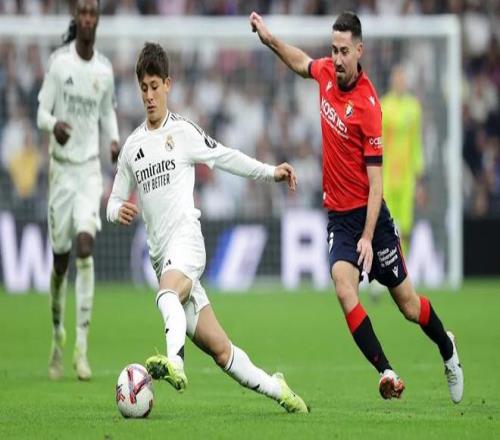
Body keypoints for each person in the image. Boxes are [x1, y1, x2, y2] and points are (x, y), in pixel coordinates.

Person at [250, 10, 464, 403]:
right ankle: (386, 371)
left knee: (409, 305)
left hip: (372, 219)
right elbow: (300, 62)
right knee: (343, 286)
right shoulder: (325, 74)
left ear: (359, 50)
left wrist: (368, 236)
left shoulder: (368, 105)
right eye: (333, 50)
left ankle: (447, 348)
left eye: (344, 51)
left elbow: (376, 184)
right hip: (339, 218)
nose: (336, 58)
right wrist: (270, 40)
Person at [106, 42, 309, 414]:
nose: (149, 95)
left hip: (187, 243)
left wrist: (271, 172)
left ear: (168, 84)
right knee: (221, 351)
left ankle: (175, 363)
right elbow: (112, 201)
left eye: (155, 86)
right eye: (143, 88)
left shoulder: (183, 132)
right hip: (163, 259)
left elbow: (226, 156)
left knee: (166, 294)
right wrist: (117, 209)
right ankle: (278, 389)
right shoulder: (132, 147)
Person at [37, 0, 120, 381]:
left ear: (97, 19)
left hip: (88, 170)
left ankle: (81, 349)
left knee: (85, 246)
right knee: (60, 261)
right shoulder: (59, 64)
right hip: (61, 173)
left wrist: (114, 140)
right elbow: (41, 112)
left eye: (92, 13)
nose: (87, 18)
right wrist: (53, 125)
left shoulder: (104, 70)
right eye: (82, 12)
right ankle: (58, 334)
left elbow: (107, 112)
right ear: (76, 17)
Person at [381, 65, 425, 254]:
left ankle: (403, 261)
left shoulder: (414, 108)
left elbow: (416, 141)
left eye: (402, 79)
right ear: (392, 81)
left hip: (407, 175)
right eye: (397, 78)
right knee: (385, 222)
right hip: (387, 174)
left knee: (406, 224)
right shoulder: (383, 105)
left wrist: (419, 173)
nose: (400, 82)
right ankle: (386, 263)